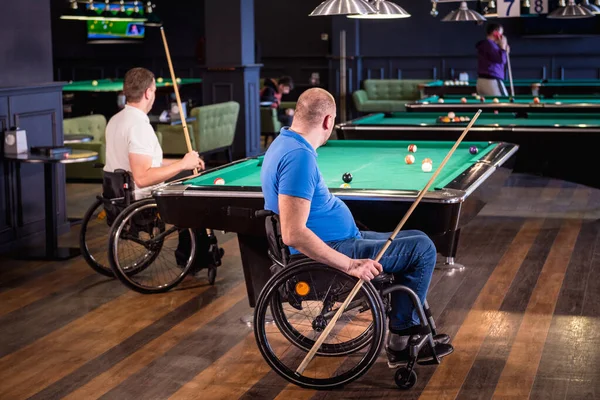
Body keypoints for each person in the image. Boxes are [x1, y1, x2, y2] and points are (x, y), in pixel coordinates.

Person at [260, 88, 454, 367]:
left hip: (342, 240)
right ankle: (401, 341)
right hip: (334, 250)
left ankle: (407, 328)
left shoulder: (284, 143)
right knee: (422, 249)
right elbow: (294, 233)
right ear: (328, 121)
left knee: (417, 237)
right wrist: (350, 265)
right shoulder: (298, 157)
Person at [103, 67, 214, 273]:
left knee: (189, 172)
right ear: (148, 93)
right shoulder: (138, 126)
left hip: (117, 194)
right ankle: (194, 257)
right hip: (140, 196)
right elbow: (143, 177)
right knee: (196, 190)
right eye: (153, 90)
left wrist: (184, 161)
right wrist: (182, 165)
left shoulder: (116, 120)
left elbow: (144, 162)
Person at [476, 23, 510, 97]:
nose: (501, 37)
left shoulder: (485, 45)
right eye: (501, 34)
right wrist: (503, 48)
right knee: (506, 103)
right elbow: (501, 60)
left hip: (481, 81)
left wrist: (503, 50)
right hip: (491, 81)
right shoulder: (490, 45)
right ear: (495, 33)